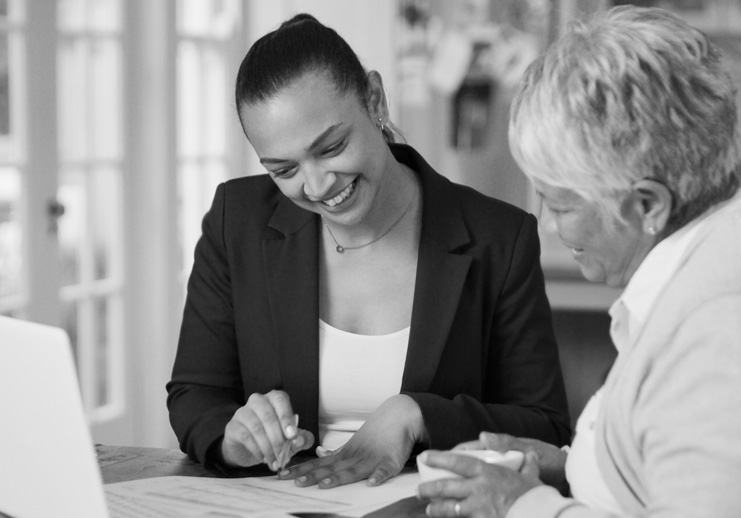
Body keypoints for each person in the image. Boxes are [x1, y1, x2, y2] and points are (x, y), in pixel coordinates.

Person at [417, 6, 741, 517]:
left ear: (649, 205)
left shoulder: (725, 319)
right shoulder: (731, 232)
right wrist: (564, 465)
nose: (551, 225)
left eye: (563, 204)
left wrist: (523, 507)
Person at [166, 13, 571, 488]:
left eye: (332, 147)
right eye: (283, 170)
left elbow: (545, 426)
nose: (316, 186)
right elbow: (195, 394)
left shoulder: (499, 237)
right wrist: (233, 439)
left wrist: (419, 413)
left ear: (374, 99)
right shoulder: (237, 218)